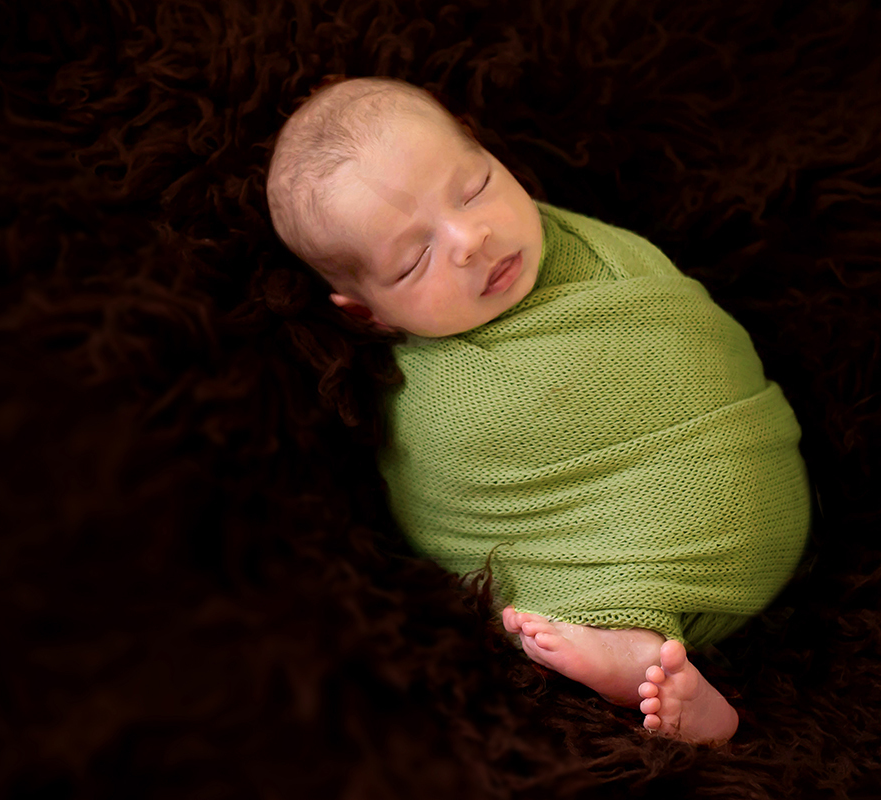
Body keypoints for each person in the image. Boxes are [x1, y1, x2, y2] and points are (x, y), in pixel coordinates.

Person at [265, 76, 811, 744]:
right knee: (536, 622)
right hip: (646, 578)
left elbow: (695, 344)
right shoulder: (434, 395)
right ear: (369, 314)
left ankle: (638, 642)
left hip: (758, 492)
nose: (471, 238)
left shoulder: (586, 247)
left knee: (539, 620)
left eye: (474, 188)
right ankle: (660, 670)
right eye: (414, 261)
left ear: (493, 154)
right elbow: (448, 513)